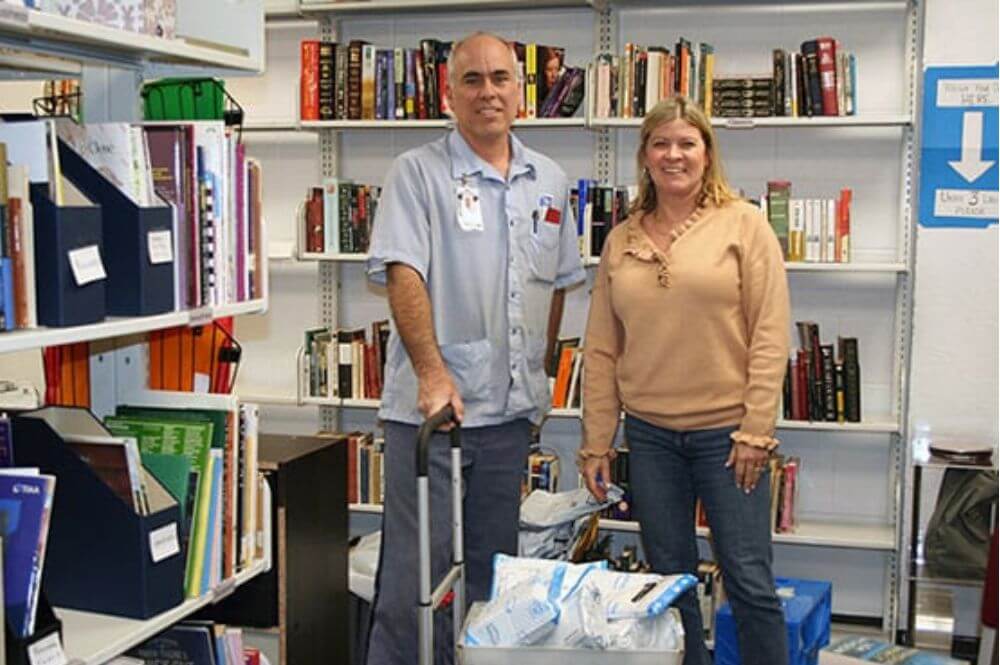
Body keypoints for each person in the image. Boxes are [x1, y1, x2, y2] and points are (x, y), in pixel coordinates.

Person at [365, 31, 586, 665]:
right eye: (472, 80)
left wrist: (539, 371)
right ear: (448, 93)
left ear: (520, 91)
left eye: (500, 78)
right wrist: (433, 375)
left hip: (509, 418)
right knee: (416, 583)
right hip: (435, 417)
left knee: (494, 581)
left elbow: (559, 283)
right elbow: (403, 274)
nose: (488, 91)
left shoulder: (548, 178)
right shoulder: (417, 173)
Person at [579, 95, 791, 665]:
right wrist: (598, 441)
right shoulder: (620, 240)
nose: (674, 155)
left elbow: (771, 334)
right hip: (650, 438)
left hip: (730, 440)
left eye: (686, 143)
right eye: (661, 143)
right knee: (668, 583)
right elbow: (601, 349)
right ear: (645, 156)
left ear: (707, 153)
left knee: (749, 580)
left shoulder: (743, 225)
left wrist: (755, 430)